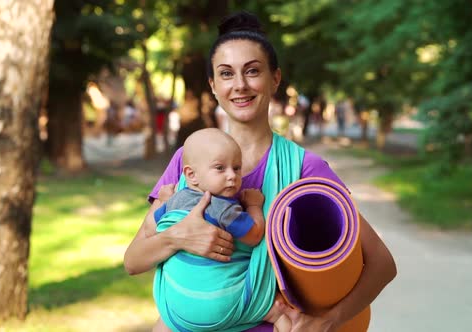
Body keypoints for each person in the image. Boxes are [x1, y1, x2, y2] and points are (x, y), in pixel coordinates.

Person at [124, 10, 397, 332]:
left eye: (252, 71)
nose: (239, 85)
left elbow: (382, 264)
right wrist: (176, 238)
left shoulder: (304, 168)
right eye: (226, 74)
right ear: (212, 85)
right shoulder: (189, 158)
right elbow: (134, 261)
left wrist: (327, 321)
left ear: (275, 79)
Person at [150, 128, 290, 331]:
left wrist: (163, 200)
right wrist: (254, 206)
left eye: (237, 168)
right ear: (191, 174)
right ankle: (278, 317)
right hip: (218, 307)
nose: (232, 176)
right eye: (220, 168)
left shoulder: (176, 200)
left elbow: (153, 226)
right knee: (282, 310)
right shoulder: (222, 208)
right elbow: (255, 235)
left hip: (178, 310)